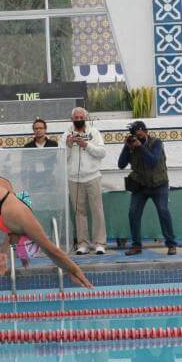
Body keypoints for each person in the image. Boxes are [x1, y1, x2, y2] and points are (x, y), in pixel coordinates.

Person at [117, 120, 177, 256]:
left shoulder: (156, 143)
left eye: (140, 134)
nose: (138, 138)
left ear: (146, 132)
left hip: (159, 184)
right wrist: (127, 147)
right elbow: (121, 164)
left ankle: (171, 244)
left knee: (163, 211)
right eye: (135, 135)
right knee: (133, 213)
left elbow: (153, 161)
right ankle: (136, 246)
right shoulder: (131, 145)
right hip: (140, 185)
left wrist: (141, 147)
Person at [62, 107, 108, 255]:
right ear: (72, 119)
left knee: (97, 210)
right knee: (79, 212)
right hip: (73, 179)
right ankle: (82, 244)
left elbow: (101, 153)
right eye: (76, 117)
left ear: (86, 118)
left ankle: (99, 243)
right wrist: (68, 146)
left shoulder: (94, 132)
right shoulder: (65, 135)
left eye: (81, 117)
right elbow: (60, 157)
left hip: (92, 176)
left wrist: (86, 145)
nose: (79, 119)